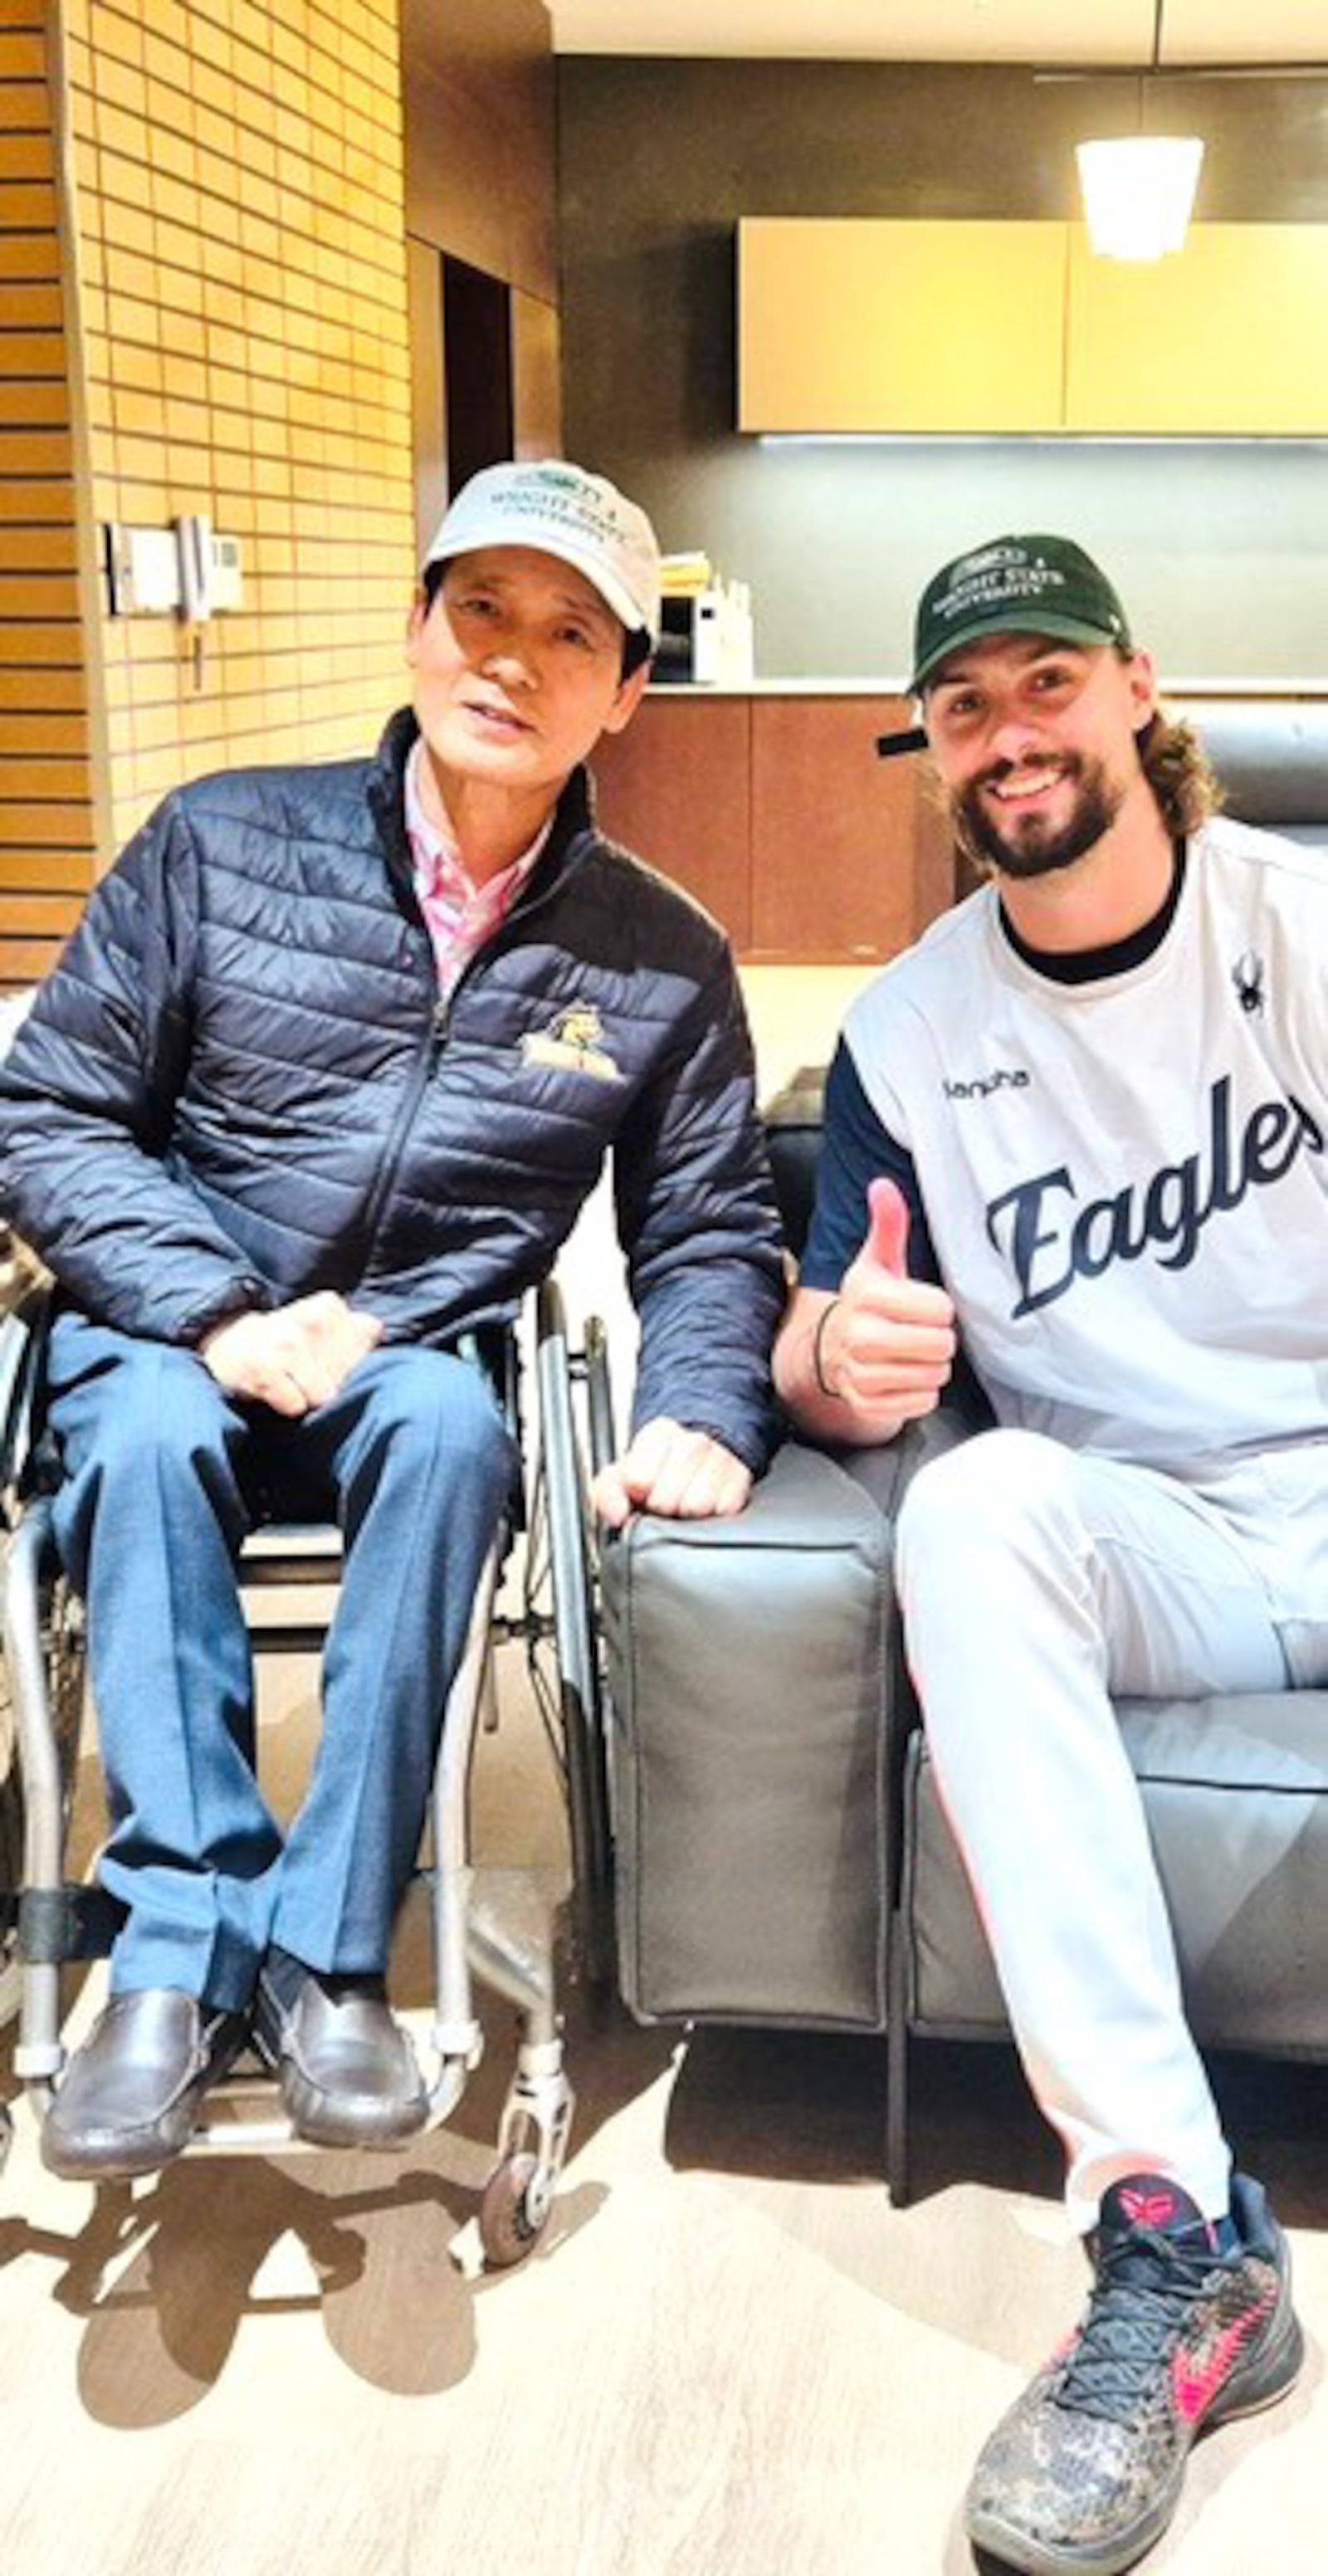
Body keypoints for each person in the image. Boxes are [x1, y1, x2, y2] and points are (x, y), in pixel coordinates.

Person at [0, 457, 783, 2180]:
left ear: (628, 690)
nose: (513, 659)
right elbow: (49, 1113)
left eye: (570, 632)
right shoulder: (215, 840)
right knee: (132, 1437)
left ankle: (325, 1950)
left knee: (451, 1438)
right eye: (479, 610)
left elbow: (711, 1223)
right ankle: (176, 1949)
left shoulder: (657, 958)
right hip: (164, 1316)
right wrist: (210, 1310)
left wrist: (703, 1408)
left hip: (408, 1344)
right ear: (416, 629)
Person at [774, 534, 1323, 2576]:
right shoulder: (907, 1030)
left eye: (1045, 683)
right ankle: (1177, 2247)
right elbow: (828, 1348)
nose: (1009, 735)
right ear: (929, 746)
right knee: (970, 1496)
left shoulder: (1297, 920)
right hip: (1146, 1531)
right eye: (966, 704)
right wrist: (840, 1358)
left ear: (1136, 691)